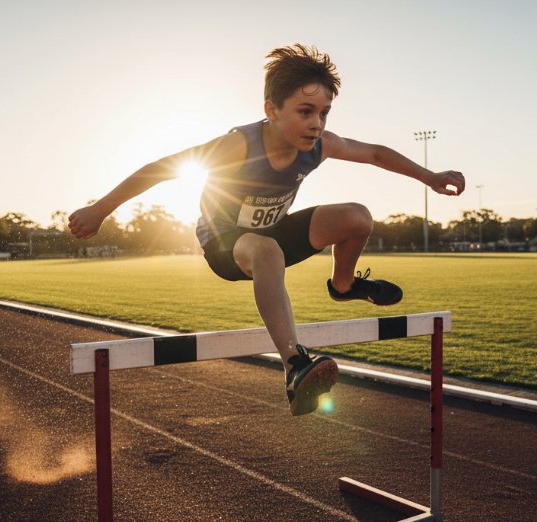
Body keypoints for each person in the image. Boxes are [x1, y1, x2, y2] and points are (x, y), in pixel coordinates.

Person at [68, 44, 464, 415]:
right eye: (305, 111)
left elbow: (375, 153)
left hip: (274, 232)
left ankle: (343, 287)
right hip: (226, 245)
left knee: (357, 216)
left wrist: (430, 177)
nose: (316, 124)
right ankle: (294, 363)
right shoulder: (238, 145)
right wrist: (101, 209)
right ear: (271, 110)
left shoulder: (320, 145)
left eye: (324, 113)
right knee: (266, 250)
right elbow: (162, 168)